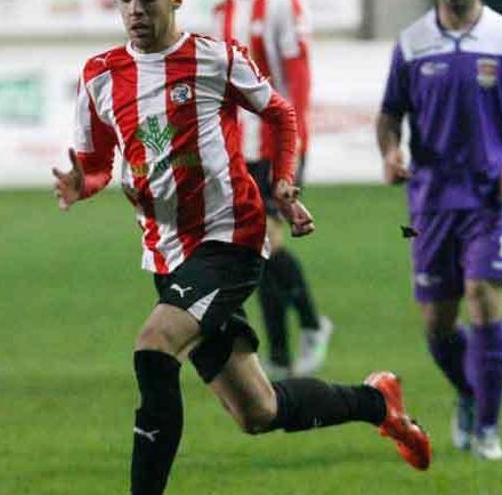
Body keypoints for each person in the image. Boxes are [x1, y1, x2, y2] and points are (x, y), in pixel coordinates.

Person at [52, 1, 431, 493]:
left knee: (154, 345)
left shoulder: (215, 59)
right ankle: (378, 403)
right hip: (171, 256)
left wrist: (285, 181)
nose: (135, 10)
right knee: (258, 411)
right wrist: (83, 182)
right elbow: (97, 162)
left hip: (231, 238)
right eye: (126, 0)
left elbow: (281, 113)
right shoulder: (100, 75)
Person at [376, 0, 502, 460]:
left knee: (483, 295)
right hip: (431, 203)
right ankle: (471, 394)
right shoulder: (412, 43)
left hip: (492, 197)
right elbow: (390, 114)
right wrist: (391, 152)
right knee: (438, 323)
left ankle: (488, 430)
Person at [212, 0, 333, 378]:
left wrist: (292, 150)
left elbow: (298, 79)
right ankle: (282, 355)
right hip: (238, 147)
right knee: (256, 250)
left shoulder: (282, 7)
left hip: (276, 144)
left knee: (265, 241)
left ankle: (310, 325)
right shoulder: (223, 10)